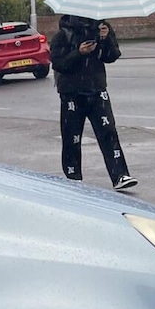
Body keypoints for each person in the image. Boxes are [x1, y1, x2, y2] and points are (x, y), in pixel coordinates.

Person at [49, 14, 136, 190]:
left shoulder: (101, 28)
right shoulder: (63, 34)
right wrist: (78, 53)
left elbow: (112, 56)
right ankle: (73, 177)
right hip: (71, 93)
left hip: (97, 90)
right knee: (71, 137)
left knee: (109, 133)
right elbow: (58, 64)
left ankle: (120, 175)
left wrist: (105, 39)